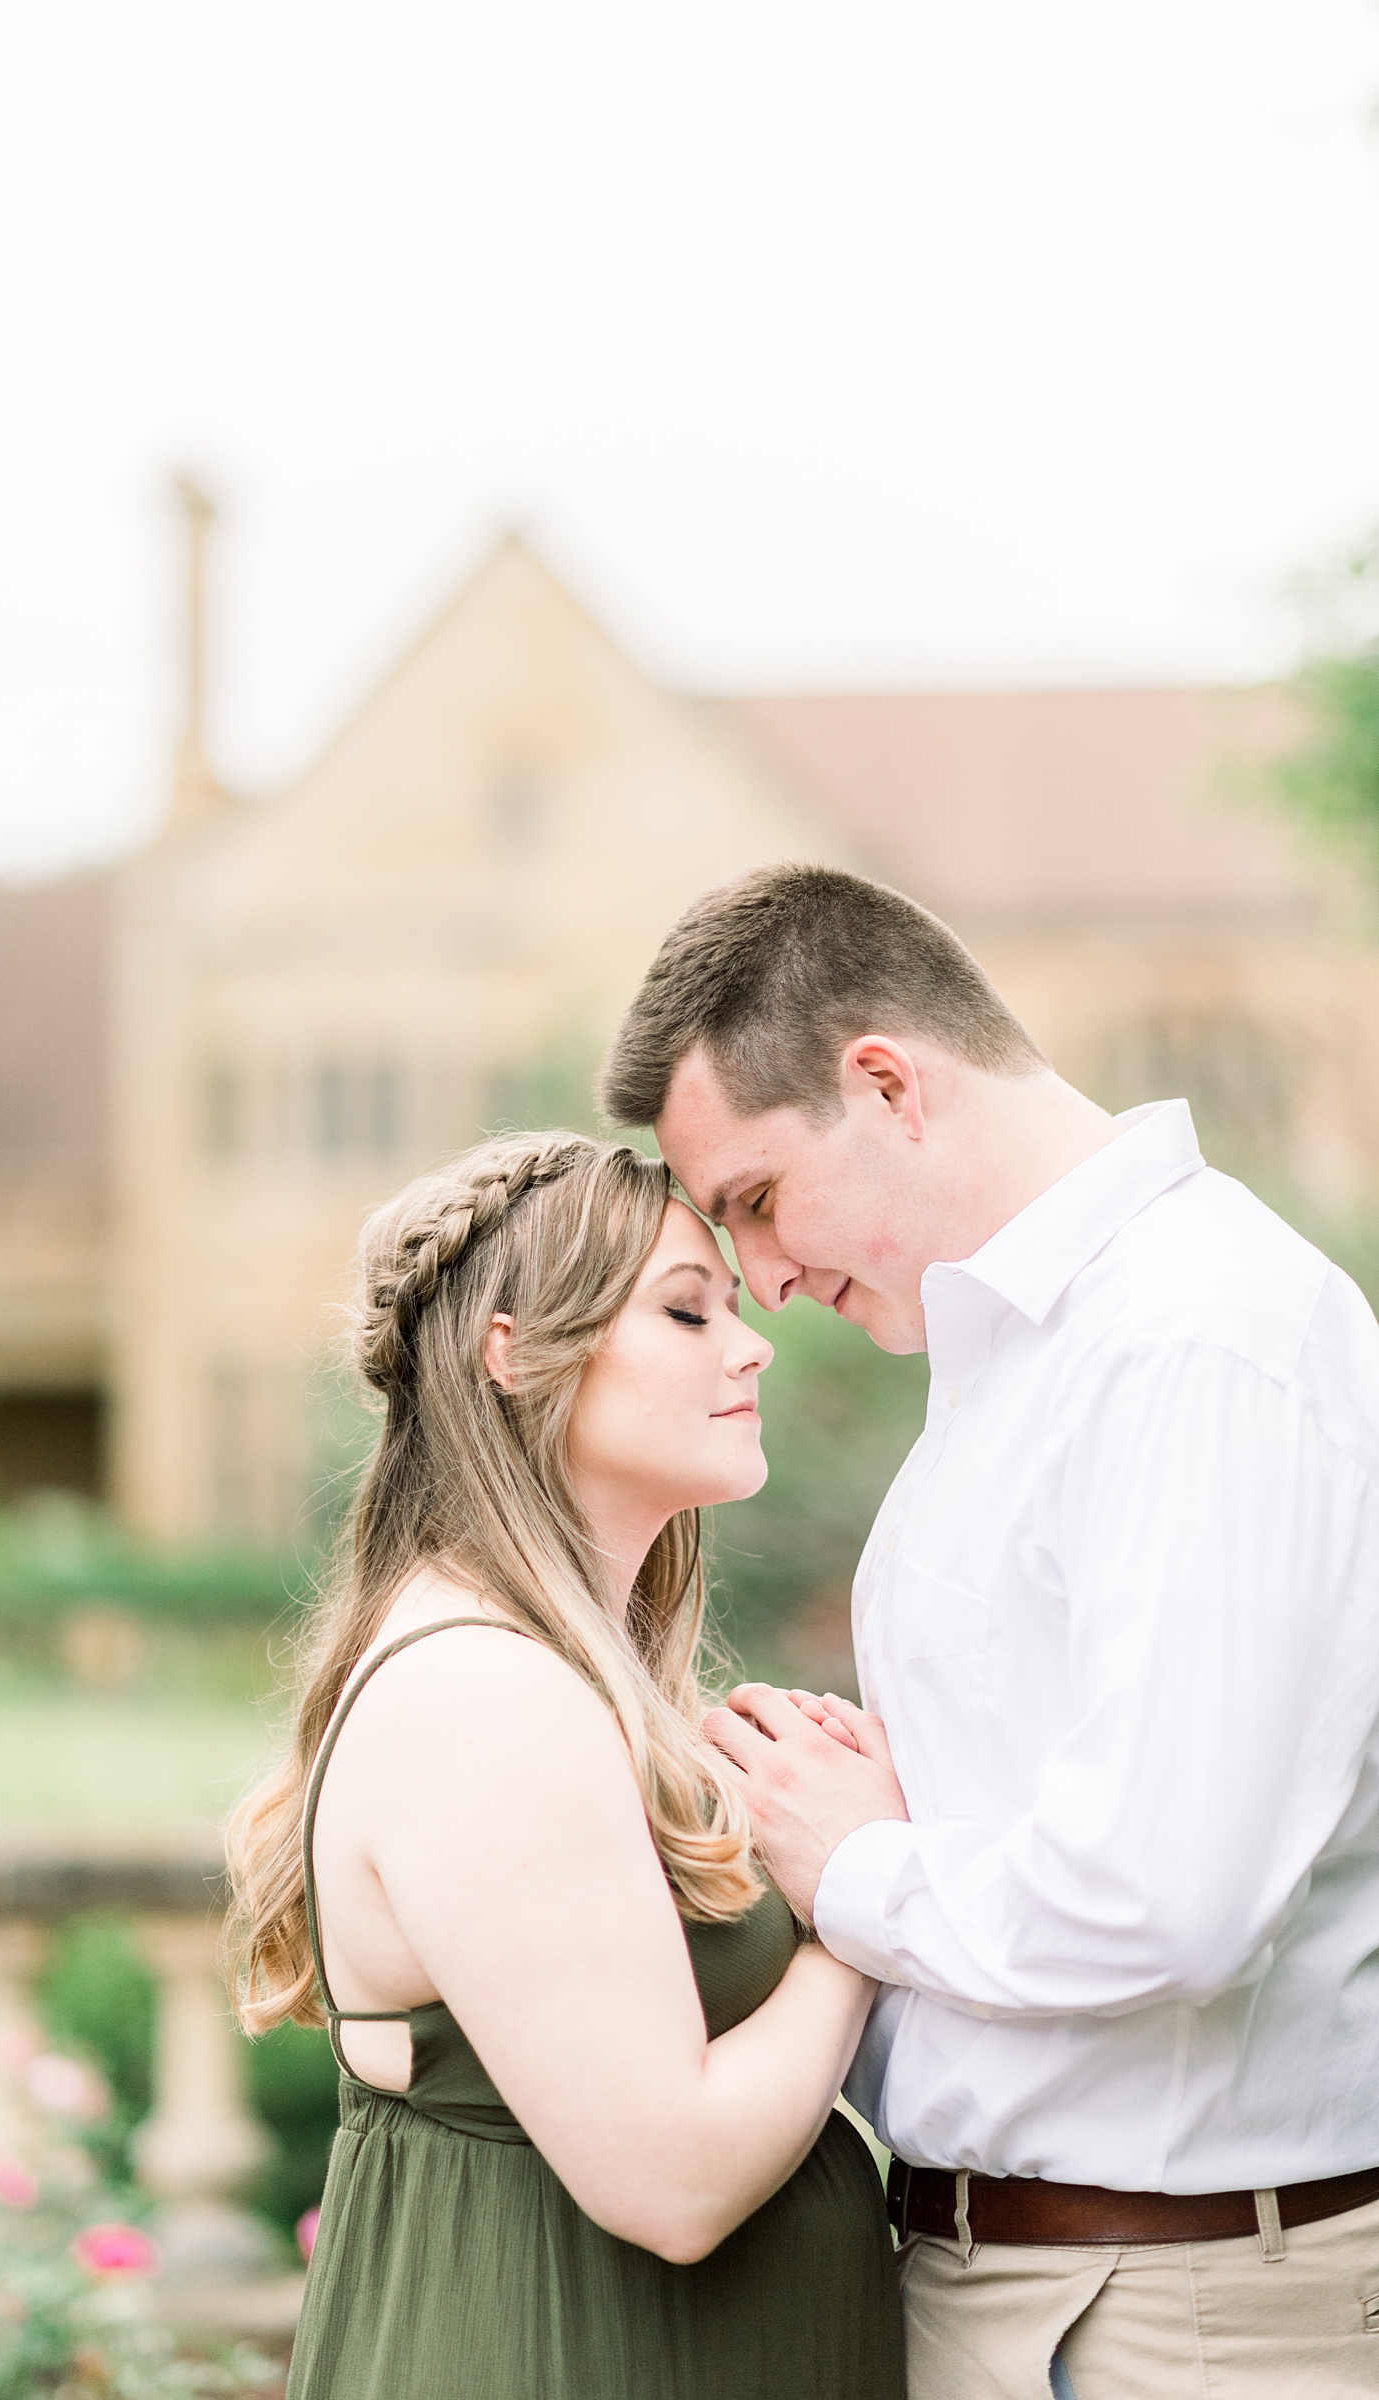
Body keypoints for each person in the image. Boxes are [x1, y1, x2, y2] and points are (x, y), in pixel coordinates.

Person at [600, 863, 1379, 2400]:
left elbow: (1165, 1899)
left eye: (755, 1199)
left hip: (1175, 2316)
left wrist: (856, 1863)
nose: (761, 1277)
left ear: (883, 1080)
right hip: (1036, 2294)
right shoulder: (1030, 1356)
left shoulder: (1195, 1341)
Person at [226, 1130, 904, 2400]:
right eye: (687, 1312)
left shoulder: (555, 1679)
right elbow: (676, 2177)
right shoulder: (483, 1695)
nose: (751, 1346)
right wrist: (856, 1900)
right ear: (516, 1351)